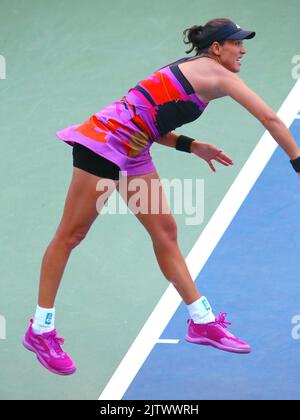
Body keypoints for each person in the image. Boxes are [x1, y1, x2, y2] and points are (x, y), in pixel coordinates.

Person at [23, 18, 300, 376]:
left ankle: (201, 321)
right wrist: (297, 161)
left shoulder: (190, 71)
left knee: (165, 232)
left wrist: (191, 145)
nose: (243, 50)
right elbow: (271, 119)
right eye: (237, 43)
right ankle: (40, 330)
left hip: (133, 150)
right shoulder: (221, 78)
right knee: (70, 235)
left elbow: (148, 122)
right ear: (216, 48)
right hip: (104, 145)